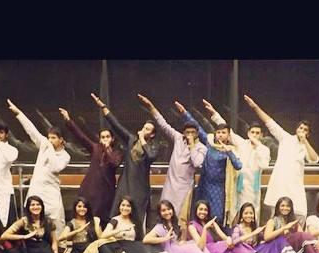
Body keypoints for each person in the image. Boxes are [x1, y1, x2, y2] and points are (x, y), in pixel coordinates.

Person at [244, 94, 319, 226]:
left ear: (308, 133)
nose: (302, 130)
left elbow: (314, 159)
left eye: (305, 130)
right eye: (300, 128)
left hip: (295, 185)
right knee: (276, 214)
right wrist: (255, 107)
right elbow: (269, 122)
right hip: (280, 183)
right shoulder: (285, 138)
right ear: (296, 129)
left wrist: (305, 141)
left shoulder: (305, 146)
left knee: (299, 213)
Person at [91, 93, 159, 229]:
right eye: (144, 127)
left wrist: (143, 139)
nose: (143, 129)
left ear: (152, 134)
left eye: (147, 129)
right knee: (117, 211)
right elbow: (117, 125)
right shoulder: (131, 139)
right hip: (125, 182)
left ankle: (136, 237)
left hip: (140, 187)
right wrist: (103, 107)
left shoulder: (153, 146)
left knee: (136, 216)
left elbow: (151, 157)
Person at [137, 94, 207, 227]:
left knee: (181, 218)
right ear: (184, 132)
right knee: (164, 212)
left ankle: (179, 237)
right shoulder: (178, 138)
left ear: (197, 133)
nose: (189, 135)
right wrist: (151, 106)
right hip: (170, 185)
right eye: (187, 132)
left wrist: (192, 145)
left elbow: (197, 163)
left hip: (184, 188)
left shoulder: (201, 148)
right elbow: (163, 124)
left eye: (192, 132)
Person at [7, 99, 71, 233]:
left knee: (55, 221)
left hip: (51, 192)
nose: (50, 140)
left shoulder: (65, 156)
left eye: (53, 138)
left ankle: (56, 243)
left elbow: (55, 167)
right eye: (49, 137)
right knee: (31, 220)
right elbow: (31, 130)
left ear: (61, 140)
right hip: (37, 189)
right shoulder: (44, 144)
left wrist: (50, 148)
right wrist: (18, 113)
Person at [202, 99, 271, 220]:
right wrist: (214, 113)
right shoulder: (242, 143)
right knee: (236, 212)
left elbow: (264, 164)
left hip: (253, 187)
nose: (254, 135)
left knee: (252, 213)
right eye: (252, 132)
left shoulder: (264, 149)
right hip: (239, 184)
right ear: (248, 133)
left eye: (257, 133)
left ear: (261, 135)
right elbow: (228, 130)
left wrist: (257, 145)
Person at [179, 102, 243, 228]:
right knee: (200, 213)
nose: (220, 135)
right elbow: (198, 128)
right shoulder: (209, 144)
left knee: (216, 216)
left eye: (223, 132)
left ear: (228, 135)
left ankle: (215, 237)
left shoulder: (231, 150)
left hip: (219, 188)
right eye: (218, 132)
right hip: (204, 185)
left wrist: (229, 152)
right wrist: (185, 113)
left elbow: (238, 165)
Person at [59, 108, 123, 225]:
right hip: (90, 188)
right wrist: (68, 120)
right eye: (102, 137)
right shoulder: (95, 148)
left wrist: (107, 149)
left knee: (102, 219)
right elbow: (81, 137)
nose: (105, 139)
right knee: (86, 215)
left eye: (107, 137)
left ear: (112, 138)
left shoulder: (117, 153)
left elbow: (114, 163)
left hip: (106, 191)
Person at [188, 200, 269, 253]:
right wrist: (205, 228)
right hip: (207, 250)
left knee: (236, 245)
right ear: (196, 210)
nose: (203, 212)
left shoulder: (212, 222)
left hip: (217, 246)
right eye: (201, 209)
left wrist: (229, 239)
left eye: (205, 210)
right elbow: (201, 246)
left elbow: (222, 236)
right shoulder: (192, 226)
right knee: (237, 244)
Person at [142, 200, 216, 253]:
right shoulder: (160, 226)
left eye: (169, 209)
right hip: (171, 252)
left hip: (176, 247)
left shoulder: (173, 223)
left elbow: (175, 240)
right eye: (163, 210)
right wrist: (164, 238)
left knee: (195, 245)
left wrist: (181, 240)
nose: (167, 212)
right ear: (160, 213)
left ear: (172, 210)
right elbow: (145, 239)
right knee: (193, 250)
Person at [0, 196, 70, 253]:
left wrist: (55, 252)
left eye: (38, 204)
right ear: (28, 208)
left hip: (47, 251)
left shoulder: (48, 221)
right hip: (32, 252)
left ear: (42, 207)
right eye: (32, 205)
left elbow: (54, 241)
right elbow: (4, 236)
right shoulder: (23, 221)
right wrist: (25, 236)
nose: (35, 207)